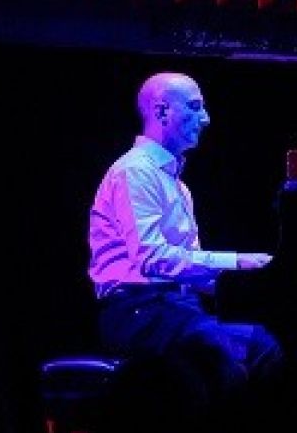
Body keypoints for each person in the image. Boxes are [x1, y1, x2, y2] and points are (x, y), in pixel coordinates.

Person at [87, 71, 282, 380]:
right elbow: (151, 258)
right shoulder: (135, 171)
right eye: (195, 107)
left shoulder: (179, 187)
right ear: (162, 111)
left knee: (265, 337)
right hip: (137, 312)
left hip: (173, 308)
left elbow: (189, 268)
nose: (206, 119)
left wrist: (262, 281)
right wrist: (237, 261)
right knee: (250, 350)